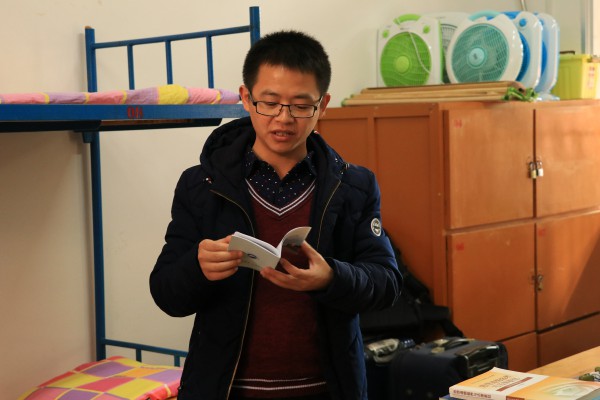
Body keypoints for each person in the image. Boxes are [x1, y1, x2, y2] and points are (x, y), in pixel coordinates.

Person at [149, 30, 402, 400]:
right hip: (227, 391)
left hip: (328, 390)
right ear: (246, 98)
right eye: (269, 103)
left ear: (323, 104)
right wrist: (197, 267)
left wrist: (332, 278)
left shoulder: (354, 186)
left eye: (301, 105)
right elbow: (165, 293)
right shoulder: (201, 185)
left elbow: (387, 283)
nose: (284, 119)